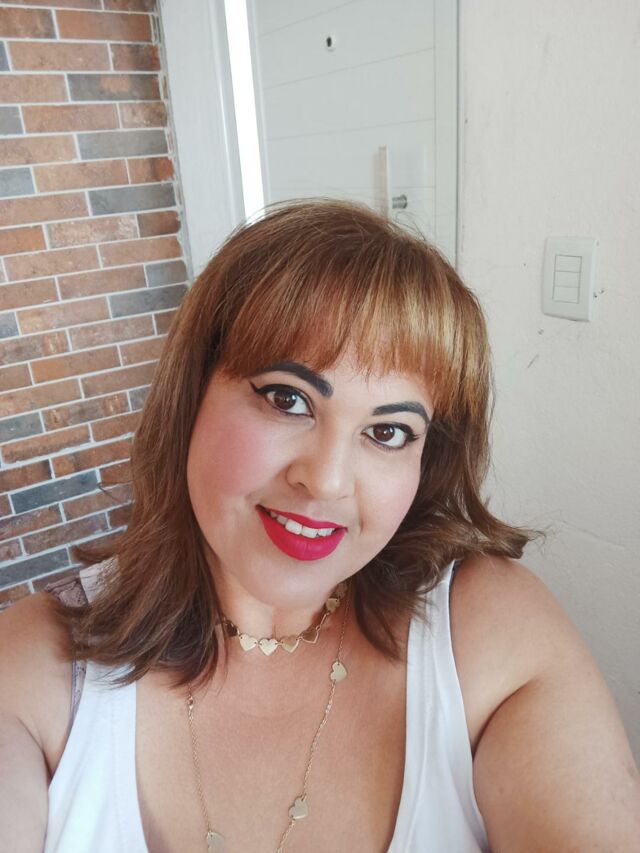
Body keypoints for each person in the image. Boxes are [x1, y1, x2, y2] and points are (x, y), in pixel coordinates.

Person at [1, 199, 638, 853]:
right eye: (288, 399)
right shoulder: (36, 668)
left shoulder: (487, 633)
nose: (328, 480)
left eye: (388, 432)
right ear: (191, 394)